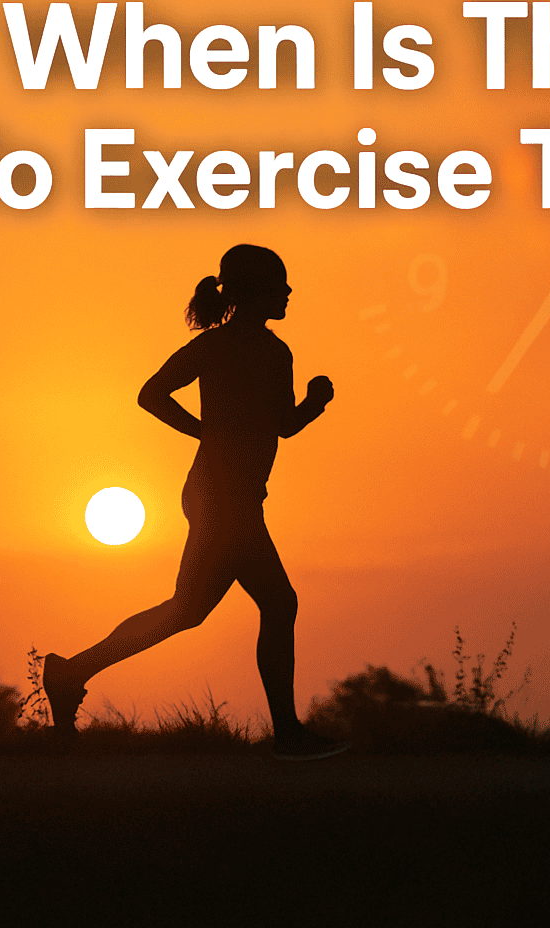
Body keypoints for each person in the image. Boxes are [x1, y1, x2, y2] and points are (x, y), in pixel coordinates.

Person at [43, 244, 349, 761]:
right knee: (277, 603)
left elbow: (283, 426)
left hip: (239, 497)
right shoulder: (215, 347)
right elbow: (152, 393)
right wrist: (204, 432)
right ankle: (288, 735)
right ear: (255, 291)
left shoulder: (278, 353)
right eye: (281, 284)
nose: (291, 292)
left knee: (187, 611)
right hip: (218, 497)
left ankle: (70, 672)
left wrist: (313, 406)